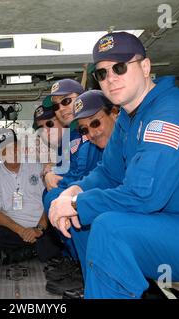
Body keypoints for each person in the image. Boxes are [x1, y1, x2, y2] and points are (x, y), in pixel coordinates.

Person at [49, 31, 179, 299]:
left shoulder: (169, 115)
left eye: (120, 67)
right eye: (102, 73)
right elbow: (108, 173)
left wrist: (77, 205)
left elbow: (144, 195)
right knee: (96, 222)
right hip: (163, 223)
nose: (111, 78)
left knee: (110, 229)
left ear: (145, 67)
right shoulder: (129, 120)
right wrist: (72, 192)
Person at [34, 91, 118, 297]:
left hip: (112, 200)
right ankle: (81, 266)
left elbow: (93, 175)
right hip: (95, 190)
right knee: (57, 198)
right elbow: (82, 174)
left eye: (66, 101)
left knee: (74, 207)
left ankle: (92, 278)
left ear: (114, 114)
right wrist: (51, 174)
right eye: (56, 106)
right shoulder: (75, 137)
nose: (62, 108)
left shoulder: (114, 138)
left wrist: (71, 195)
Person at [0, 128, 63, 265]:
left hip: (43, 225)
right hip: (15, 230)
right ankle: (35, 249)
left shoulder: (37, 166)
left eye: (14, 147)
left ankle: (24, 252)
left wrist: (39, 229)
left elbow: (50, 198)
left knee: (59, 232)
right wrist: (22, 231)